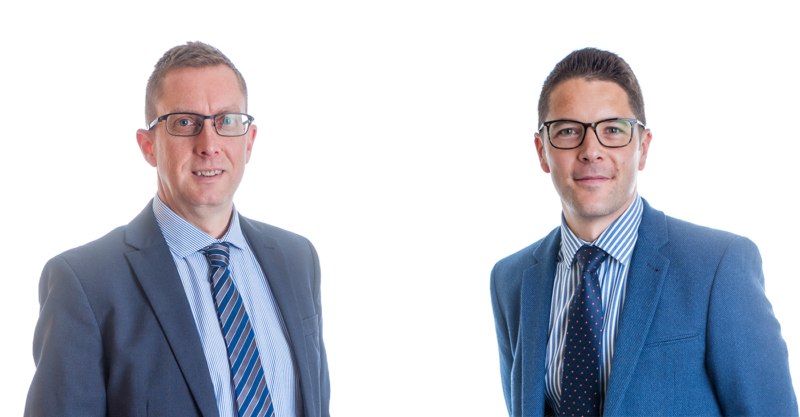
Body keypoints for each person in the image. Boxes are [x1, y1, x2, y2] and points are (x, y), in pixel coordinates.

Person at [25, 42, 330, 417]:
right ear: (148, 145)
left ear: (249, 142)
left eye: (227, 121)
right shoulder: (85, 283)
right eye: (185, 123)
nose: (209, 145)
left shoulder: (298, 259)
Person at [490, 48, 797, 416]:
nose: (591, 150)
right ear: (542, 151)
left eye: (613, 130)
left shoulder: (717, 268)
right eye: (568, 131)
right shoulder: (510, 281)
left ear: (643, 147)